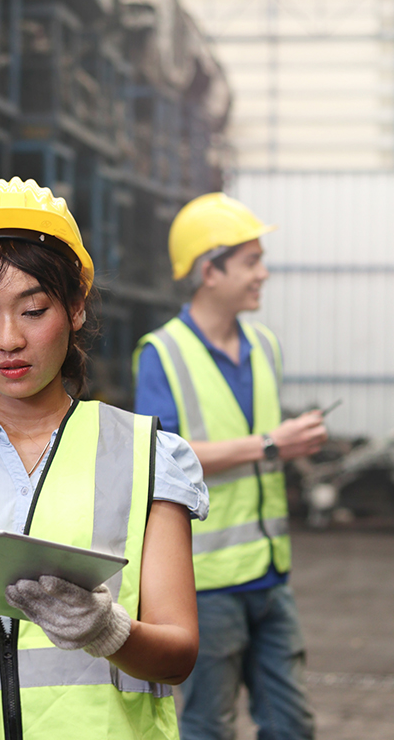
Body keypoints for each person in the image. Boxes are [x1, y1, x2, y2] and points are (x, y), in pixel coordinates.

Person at [0, 177, 208, 739]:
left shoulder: (146, 454)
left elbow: (177, 655)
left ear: (74, 309)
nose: (8, 340)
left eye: (33, 310)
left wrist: (109, 632)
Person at [133, 192, 327, 740]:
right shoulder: (162, 353)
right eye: (251, 261)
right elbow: (162, 461)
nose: (263, 273)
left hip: (271, 574)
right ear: (210, 270)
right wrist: (271, 444)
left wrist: (285, 443)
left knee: (293, 726)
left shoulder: (265, 346)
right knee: (207, 728)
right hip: (209, 582)